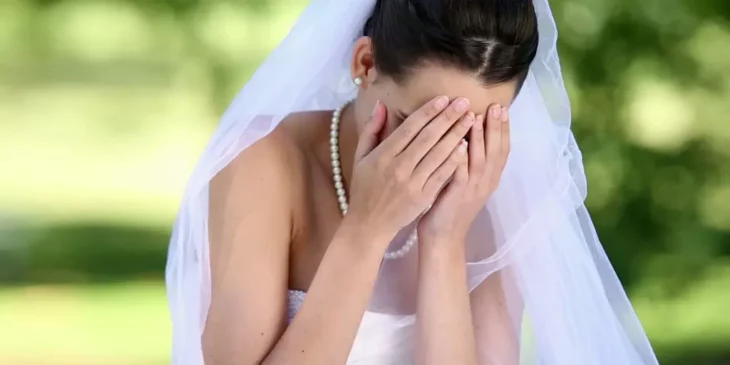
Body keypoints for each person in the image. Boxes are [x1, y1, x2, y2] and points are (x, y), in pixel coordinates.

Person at [165, 0, 660, 364]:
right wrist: (366, 231)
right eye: (419, 124)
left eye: (469, 131)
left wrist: (444, 242)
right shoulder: (265, 160)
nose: (441, 156)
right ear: (366, 64)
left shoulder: (494, 196)